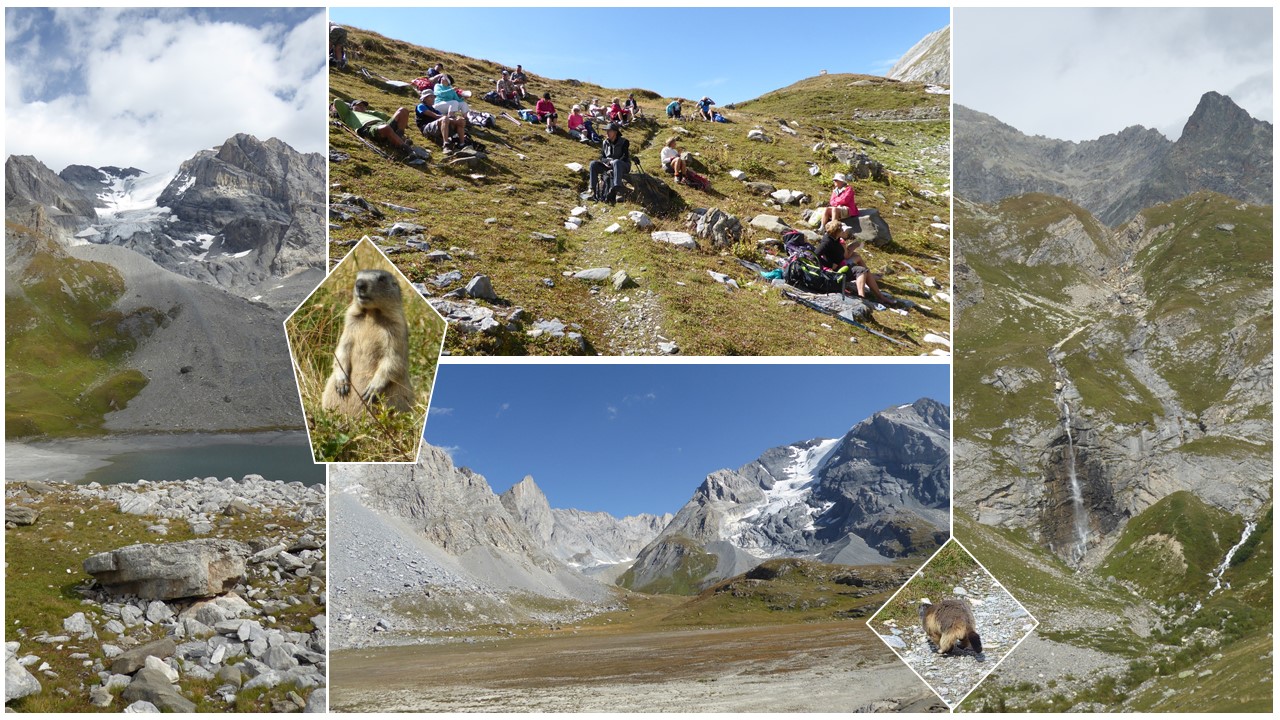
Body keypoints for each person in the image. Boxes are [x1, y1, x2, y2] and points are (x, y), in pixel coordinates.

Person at [817, 221, 893, 304]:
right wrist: (829, 265)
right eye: (841, 229)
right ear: (836, 231)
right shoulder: (827, 242)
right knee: (861, 271)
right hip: (834, 271)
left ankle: (880, 297)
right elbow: (814, 255)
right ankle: (862, 298)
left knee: (864, 270)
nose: (842, 230)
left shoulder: (836, 239)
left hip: (841, 266)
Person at [343, 99, 413, 151]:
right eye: (359, 105)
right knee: (386, 127)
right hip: (369, 127)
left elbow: (384, 116)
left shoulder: (370, 113)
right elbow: (337, 102)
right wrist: (348, 107)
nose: (362, 107)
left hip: (383, 124)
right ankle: (406, 149)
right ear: (352, 106)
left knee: (402, 110)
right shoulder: (349, 114)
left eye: (364, 106)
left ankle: (399, 137)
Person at [589, 123, 630, 203]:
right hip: (608, 165)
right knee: (593, 164)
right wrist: (607, 162)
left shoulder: (624, 142)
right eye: (606, 131)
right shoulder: (605, 142)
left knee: (616, 162)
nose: (607, 133)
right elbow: (602, 157)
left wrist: (613, 162)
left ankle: (618, 191)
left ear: (615, 132)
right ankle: (592, 191)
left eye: (609, 131)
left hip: (622, 165)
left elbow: (625, 157)